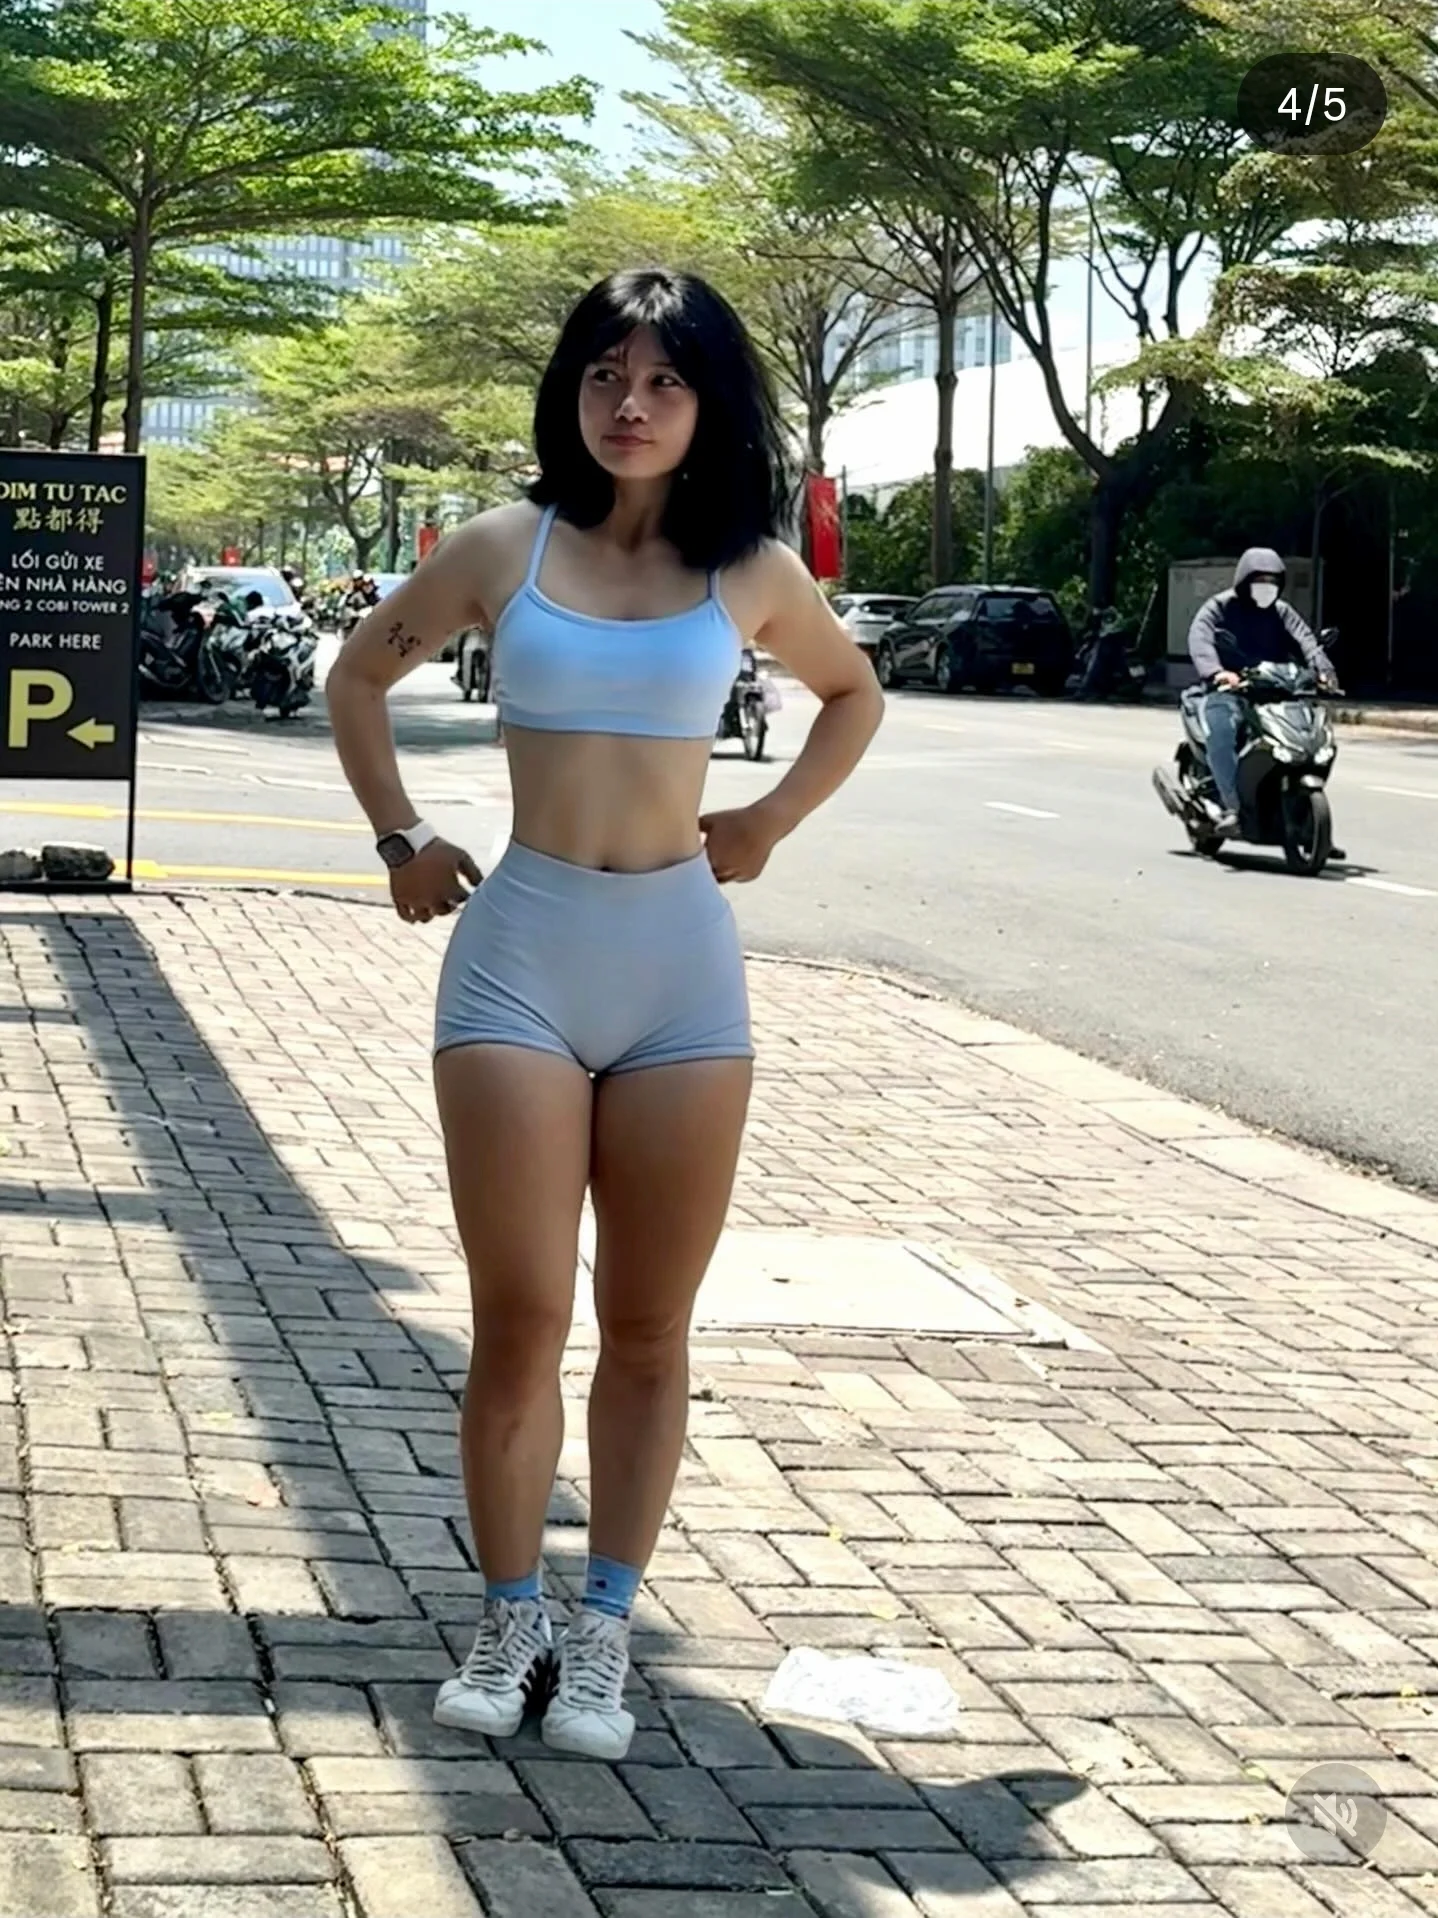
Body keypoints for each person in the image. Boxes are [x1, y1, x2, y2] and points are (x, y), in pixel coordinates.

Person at [324, 267, 884, 1761]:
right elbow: (358, 677)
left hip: (681, 976)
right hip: (519, 956)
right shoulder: (502, 546)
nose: (629, 404)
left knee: (645, 1326)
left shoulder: (749, 569)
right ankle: (508, 1613)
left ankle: (603, 1629)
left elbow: (851, 693)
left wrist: (766, 820)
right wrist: (400, 838)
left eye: (663, 380)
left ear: (709, 405)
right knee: (520, 1316)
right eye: (602, 376)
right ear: (569, 394)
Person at [1187, 547, 1338, 834]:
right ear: (1244, 580)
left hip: (1275, 692)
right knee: (1222, 733)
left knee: (1311, 734)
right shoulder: (1219, 608)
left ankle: (1307, 823)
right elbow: (1200, 639)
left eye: (1272, 581)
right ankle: (1233, 807)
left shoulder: (1281, 612)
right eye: (1259, 580)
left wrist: (1323, 671)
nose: (1266, 586)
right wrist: (1218, 672)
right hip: (1229, 691)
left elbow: (1306, 641)